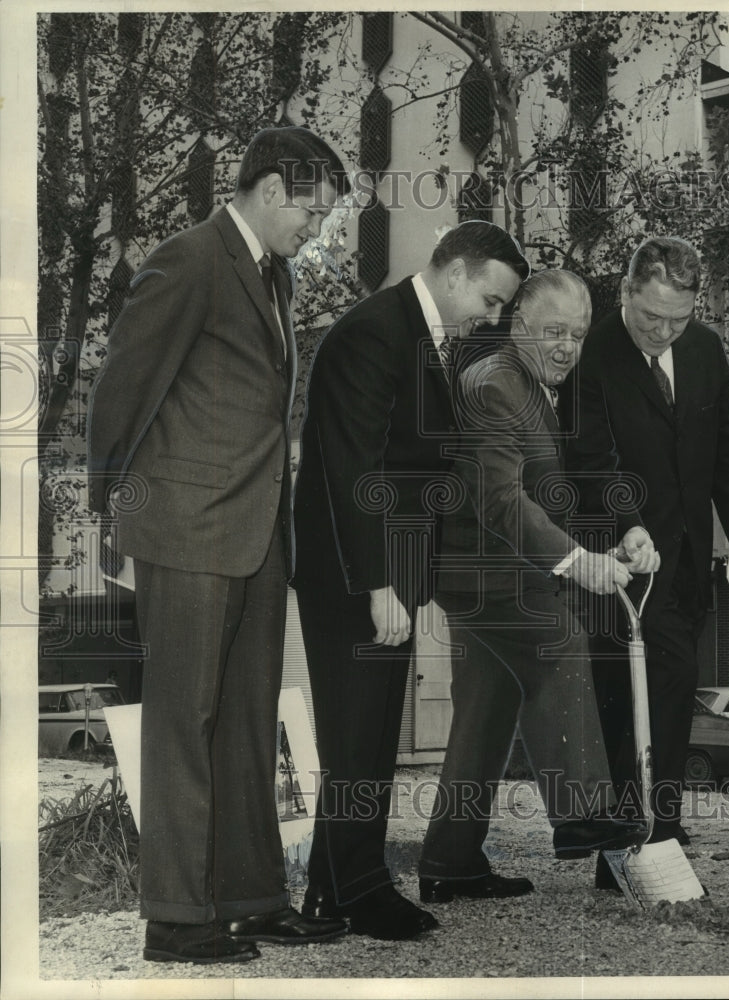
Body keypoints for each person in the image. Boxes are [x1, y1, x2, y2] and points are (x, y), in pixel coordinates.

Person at [87, 127, 351, 964]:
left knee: (245, 722)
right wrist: (110, 518)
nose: (318, 231)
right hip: (187, 528)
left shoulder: (272, 278)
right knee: (182, 722)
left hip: (258, 532)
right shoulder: (189, 259)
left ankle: (250, 897)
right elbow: (122, 391)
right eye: (312, 213)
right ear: (270, 189)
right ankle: (175, 916)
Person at [293, 221, 530, 940]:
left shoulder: (420, 334)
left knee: (363, 738)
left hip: (386, 570)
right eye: (490, 300)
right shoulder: (374, 332)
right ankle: (359, 893)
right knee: (357, 736)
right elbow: (354, 468)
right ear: (455, 272)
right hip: (355, 574)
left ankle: (336, 890)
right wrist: (377, 583)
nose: (491, 318)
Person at [417, 270, 650, 903]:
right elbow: (499, 500)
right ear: (519, 323)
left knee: (485, 716)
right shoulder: (497, 384)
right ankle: (581, 814)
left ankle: (449, 863)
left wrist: (609, 545)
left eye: (576, 335)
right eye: (554, 332)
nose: (568, 348)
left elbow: (545, 499)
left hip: (494, 569)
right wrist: (578, 563)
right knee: (558, 639)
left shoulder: (527, 384)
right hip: (485, 572)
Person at [559, 236, 729, 887]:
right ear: (626, 293)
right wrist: (629, 525)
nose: (663, 332)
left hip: (683, 565)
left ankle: (649, 834)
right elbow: (595, 461)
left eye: (677, 319)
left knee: (673, 696)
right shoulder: (594, 355)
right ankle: (639, 841)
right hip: (619, 562)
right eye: (651, 317)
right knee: (631, 700)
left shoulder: (706, 349)